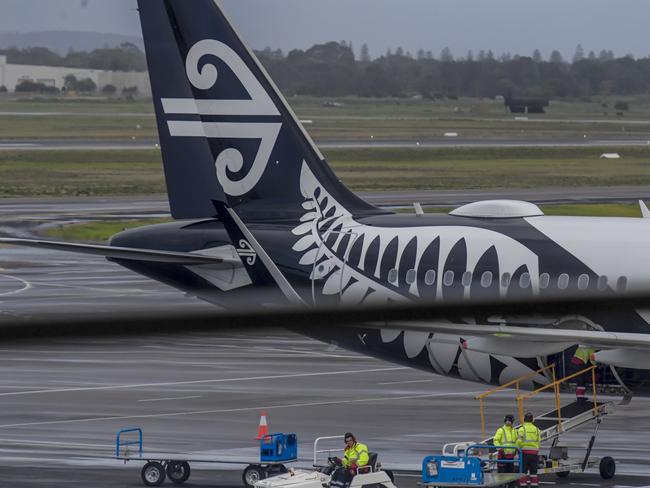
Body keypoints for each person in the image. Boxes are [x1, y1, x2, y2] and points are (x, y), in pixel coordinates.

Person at [516, 412, 541, 488]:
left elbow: (519, 442)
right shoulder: (537, 430)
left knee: (523, 472)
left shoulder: (521, 429)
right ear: (532, 420)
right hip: (534, 454)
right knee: (533, 472)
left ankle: (523, 486)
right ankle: (534, 485)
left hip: (524, 453)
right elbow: (539, 441)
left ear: (524, 419)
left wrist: (517, 450)